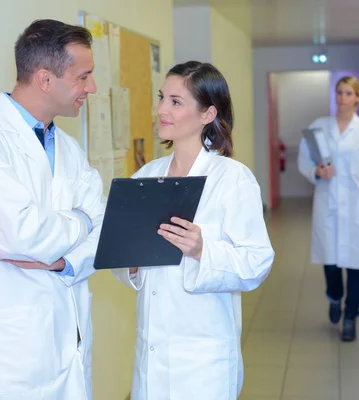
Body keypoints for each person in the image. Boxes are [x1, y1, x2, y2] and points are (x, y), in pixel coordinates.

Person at [0, 19, 105, 399]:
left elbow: (106, 230)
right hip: (11, 351)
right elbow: (20, 234)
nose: (92, 88)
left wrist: (65, 261)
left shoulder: (68, 149)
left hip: (70, 337)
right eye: (84, 77)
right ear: (45, 79)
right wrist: (81, 218)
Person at [113, 61, 274, 400]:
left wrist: (203, 249)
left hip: (203, 360)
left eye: (175, 101)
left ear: (207, 114)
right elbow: (124, 258)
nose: (161, 110)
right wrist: (130, 262)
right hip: (152, 353)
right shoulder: (147, 175)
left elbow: (257, 262)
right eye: (162, 98)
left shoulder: (233, 178)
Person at [297, 76, 359, 342]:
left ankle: (351, 317)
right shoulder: (319, 127)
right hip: (328, 202)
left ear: (357, 98)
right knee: (331, 263)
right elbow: (304, 159)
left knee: (357, 265)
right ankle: (334, 297)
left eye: (348, 93)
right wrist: (316, 171)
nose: (342, 98)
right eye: (339, 92)